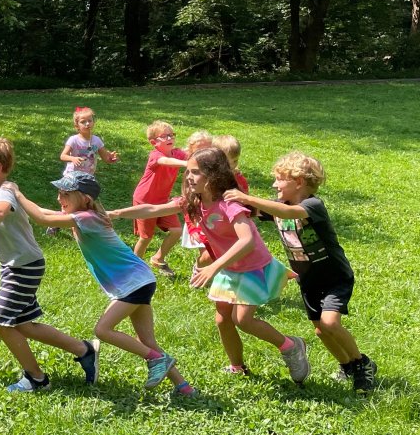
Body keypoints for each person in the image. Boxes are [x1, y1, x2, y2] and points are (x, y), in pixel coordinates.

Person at [111, 148, 311, 384]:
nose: (189, 177)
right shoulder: (193, 201)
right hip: (228, 268)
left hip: (251, 267)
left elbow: (247, 241)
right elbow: (154, 209)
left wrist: (213, 267)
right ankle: (237, 367)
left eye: (195, 172)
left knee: (243, 320)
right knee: (222, 319)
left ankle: (290, 346)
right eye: (187, 172)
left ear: (212, 174)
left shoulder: (229, 203)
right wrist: (115, 213)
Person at [8, 171, 193, 395]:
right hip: (139, 281)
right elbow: (46, 213)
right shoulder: (86, 216)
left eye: (66, 194)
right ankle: (184, 388)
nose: (60, 198)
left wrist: (17, 194)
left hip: (133, 283)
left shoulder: (87, 218)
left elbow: (43, 219)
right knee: (147, 341)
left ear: (85, 199)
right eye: (59, 193)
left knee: (103, 330)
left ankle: (157, 359)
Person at [0, 137, 97, 394]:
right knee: (24, 325)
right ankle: (83, 349)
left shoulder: (5, 191)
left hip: (24, 266)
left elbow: (0, 213)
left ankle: (37, 379)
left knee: (0, 323)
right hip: (13, 266)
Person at [226, 152, 376, 391]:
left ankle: (362, 364)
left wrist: (247, 197)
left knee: (330, 323)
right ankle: (346, 365)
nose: (274, 184)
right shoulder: (279, 205)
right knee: (320, 330)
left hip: (334, 277)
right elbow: (248, 211)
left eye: (279, 179)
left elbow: (288, 213)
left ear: (298, 182)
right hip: (309, 279)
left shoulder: (312, 205)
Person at [130, 121, 191, 277]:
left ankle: (158, 258)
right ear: (153, 142)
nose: (170, 137)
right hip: (144, 201)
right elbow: (165, 161)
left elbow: (193, 154)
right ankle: (135, 268)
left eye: (171, 135)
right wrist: (186, 163)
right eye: (164, 136)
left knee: (176, 231)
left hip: (164, 201)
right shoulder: (156, 155)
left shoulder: (177, 153)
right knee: (146, 237)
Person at [58, 106, 118, 175]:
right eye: (83, 122)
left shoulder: (97, 141)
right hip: (72, 176)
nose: (87, 124)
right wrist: (73, 159)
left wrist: (110, 158)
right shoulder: (73, 140)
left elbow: (105, 158)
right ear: (77, 126)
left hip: (88, 177)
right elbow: (63, 156)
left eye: (90, 121)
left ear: (93, 122)